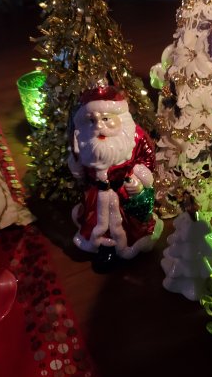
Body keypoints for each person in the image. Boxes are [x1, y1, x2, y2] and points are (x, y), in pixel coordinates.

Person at [68, 86, 162, 269]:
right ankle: (103, 246)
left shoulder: (135, 136)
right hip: (96, 193)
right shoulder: (82, 138)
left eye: (105, 119)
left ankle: (131, 244)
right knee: (95, 220)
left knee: (131, 223)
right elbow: (78, 162)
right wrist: (76, 165)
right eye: (92, 120)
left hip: (124, 191)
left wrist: (140, 180)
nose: (99, 126)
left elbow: (148, 159)